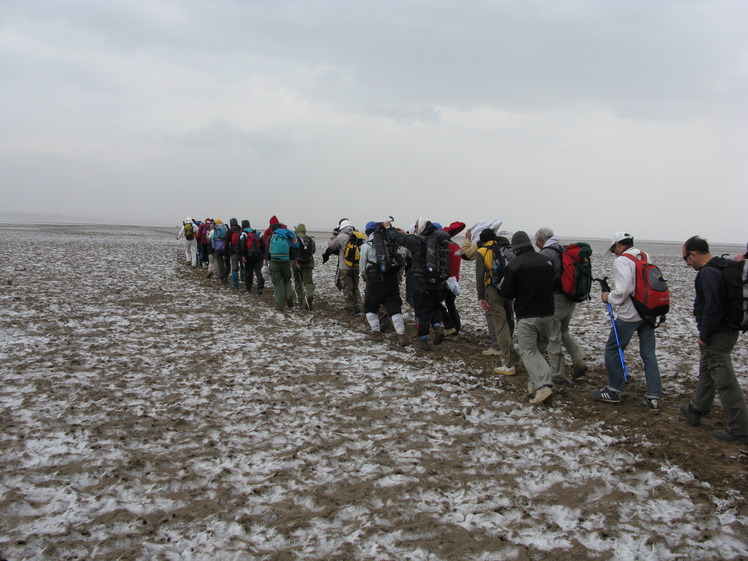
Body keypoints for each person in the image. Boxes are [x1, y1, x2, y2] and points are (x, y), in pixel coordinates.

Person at [680, 236, 748, 444]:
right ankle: (697, 408)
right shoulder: (722, 266)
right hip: (726, 330)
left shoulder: (708, 273)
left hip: (718, 333)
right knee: (707, 369)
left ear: (693, 253)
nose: (687, 264)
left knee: (724, 380)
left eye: (686, 259)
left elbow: (712, 306)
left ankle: (741, 429)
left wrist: (705, 335)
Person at [594, 232, 663, 411]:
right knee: (649, 354)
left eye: (613, 249)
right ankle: (654, 396)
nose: (614, 253)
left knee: (613, 349)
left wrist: (608, 296)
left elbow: (624, 289)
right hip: (649, 312)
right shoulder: (645, 255)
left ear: (618, 244)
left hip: (630, 314)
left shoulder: (622, 260)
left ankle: (614, 390)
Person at [499, 231, 555, 405]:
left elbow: (506, 292)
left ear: (516, 249)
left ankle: (544, 386)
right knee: (539, 350)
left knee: (529, 352)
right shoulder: (546, 261)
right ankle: (533, 384)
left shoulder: (515, 265)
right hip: (548, 313)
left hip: (527, 315)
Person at [383, 218, 450, 351]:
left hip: (421, 282)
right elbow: (414, 239)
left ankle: (423, 339)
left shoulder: (417, 242)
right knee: (435, 306)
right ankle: (437, 325)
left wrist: (388, 227)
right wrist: (407, 234)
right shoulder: (436, 240)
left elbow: (398, 239)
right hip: (437, 282)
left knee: (421, 310)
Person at [535, 227, 588, 383]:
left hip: (556, 298)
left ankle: (557, 374)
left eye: (537, 242)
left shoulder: (546, 253)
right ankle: (579, 359)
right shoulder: (563, 249)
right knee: (564, 331)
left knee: (553, 336)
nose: (537, 246)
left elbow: (543, 279)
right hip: (570, 297)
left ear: (541, 240)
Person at [360, 221, 410, 346]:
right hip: (391, 278)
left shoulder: (367, 246)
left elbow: (362, 267)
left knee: (371, 306)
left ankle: (377, 333)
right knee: (394, 306)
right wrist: (398, 276)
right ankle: (401, 336)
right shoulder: (390, 243)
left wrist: (366, 278)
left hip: (375, 280)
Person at [477, 229, 518, 375]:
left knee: (501, 326)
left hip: (493, 289)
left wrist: (481, 296)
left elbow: (480, 276)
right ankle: (511, 350)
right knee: (509, 319)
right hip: (509, 288)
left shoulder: (482, 251)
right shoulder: (505, 248)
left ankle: (508, 362)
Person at [326, 219, 363, 316]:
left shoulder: (341, 236)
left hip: (344, 266)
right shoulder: (358, 235)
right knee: (355, 287)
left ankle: (350, 308)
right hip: (356, 266)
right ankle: (358, 305)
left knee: (347, 287)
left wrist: (334, 235)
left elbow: (331, 246)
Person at [264, 217, 298, 311]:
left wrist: (265, 264)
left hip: (274, 262)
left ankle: (280, 306)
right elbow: (292, 250)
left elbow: (266, 253)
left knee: (278, 284)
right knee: (287, 280)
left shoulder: (270, 238)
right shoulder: (286, 236)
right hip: (286, 261)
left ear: (272, 229)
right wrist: (294, 261)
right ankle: (288, 296)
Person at [442, 222, 465, 337]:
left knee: (436, 303)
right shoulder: (456, 246)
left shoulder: (446, 247)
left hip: (446, 280)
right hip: (455, 280)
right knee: (451, 304)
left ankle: (450, 326)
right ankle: (456, 327)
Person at [292, 223, 316, 310]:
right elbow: (313, 251)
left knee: (298, 281)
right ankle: (309, 295)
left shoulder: (294, 238)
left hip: (296, 263)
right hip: (308, 264)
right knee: (308, 282)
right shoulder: (310, 240)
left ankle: (300, 300)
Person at [241, 220, 264, 294]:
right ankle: (259, 288)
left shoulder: (244, 233)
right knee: (259, 271)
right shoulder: (257, 233)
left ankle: (248, 287)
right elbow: (263, 246)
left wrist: (243, 255)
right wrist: (263, 255)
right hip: (258, 255)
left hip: (248, 255)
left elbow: (243, 245)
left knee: (248, 271)